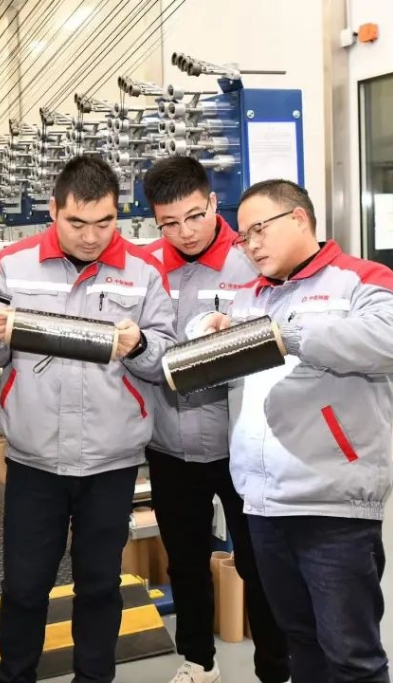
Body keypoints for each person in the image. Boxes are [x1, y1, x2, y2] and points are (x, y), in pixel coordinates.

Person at [198, 179, 393, 683]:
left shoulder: (360, 278)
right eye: (243, 237)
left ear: (299, 218)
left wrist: (290, 335)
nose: (251, 245)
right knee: (301, 643)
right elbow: (225, 372)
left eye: (259, 230)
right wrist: (208, 335)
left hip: (332, 505)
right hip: (264, 503)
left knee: (352, 656)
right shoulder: (251, 296)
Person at [0, 155, 176, 683]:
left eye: (104, 223)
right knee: (24, 587)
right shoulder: (13, 265)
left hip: (110, 461)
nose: (91, 237)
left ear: (118, 213)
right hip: (35, 460)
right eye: (77, 223)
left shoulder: (143, 272)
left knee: (100, 585)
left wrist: (141, 345)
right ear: (53, 210)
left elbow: (167, 357)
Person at [140, 157, 290, 683]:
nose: (184, 232)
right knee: (185, 560)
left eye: (194, 216)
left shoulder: (251, 262)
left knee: (259, 560)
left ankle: (275, 667)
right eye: (169, 223)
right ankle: (199, 661)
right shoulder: (146, 268)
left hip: (241, 447)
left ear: (212, 201)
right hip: (169, 444)